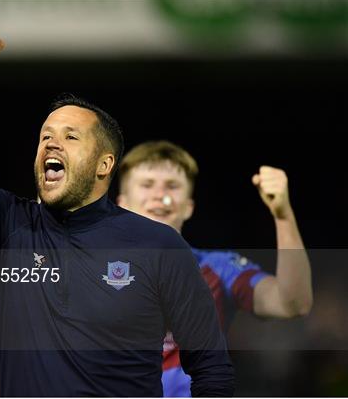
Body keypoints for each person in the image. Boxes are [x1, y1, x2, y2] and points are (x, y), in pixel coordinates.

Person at [0, 27, 235, 396]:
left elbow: (211, 369)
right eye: (45, 135)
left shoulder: (158, 246)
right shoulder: (10, 225)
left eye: (70, 136)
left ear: (104, 164)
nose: (51, 142)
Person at [117, 140, 313, 397]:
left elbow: (292, 303)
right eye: (147, 184)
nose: (160, 195)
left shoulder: (218, 269)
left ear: (189, 207)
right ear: (121, 203)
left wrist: (283, 215)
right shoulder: (90, 268)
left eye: (172, 186)